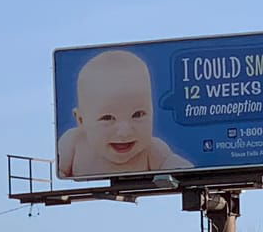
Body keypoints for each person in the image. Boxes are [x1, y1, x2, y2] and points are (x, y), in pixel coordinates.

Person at [57, 49, 192, 178]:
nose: (125, 133)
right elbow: (58, 168)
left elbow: (178, 167)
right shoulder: (74, 142)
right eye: (108, 118)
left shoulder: (152, 149)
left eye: (138, 115)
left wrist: (189, 173)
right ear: (81, 120)